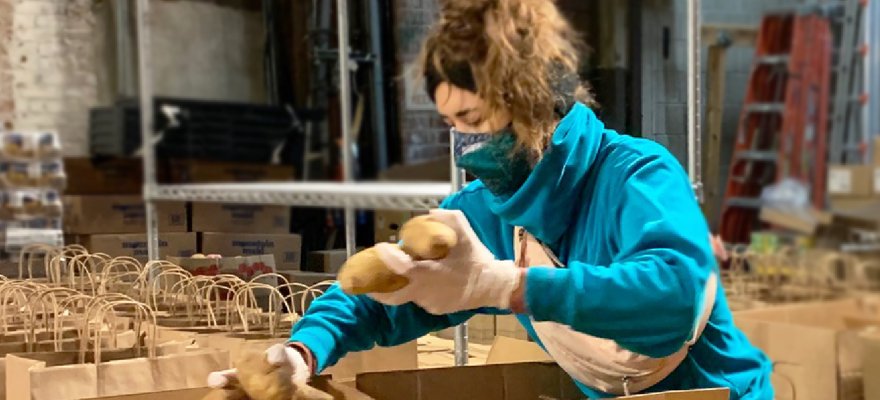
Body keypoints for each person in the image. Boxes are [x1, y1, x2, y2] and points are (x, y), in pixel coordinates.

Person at [208, 0, 773, 399]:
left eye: (474, 120)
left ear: (529, 98)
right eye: (453, 124)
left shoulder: (636, 176)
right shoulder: (487, 211)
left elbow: (670, 295)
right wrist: (303, 352)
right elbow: (388, 290)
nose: (466, 144)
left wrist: (507, 285)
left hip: (716, 395)